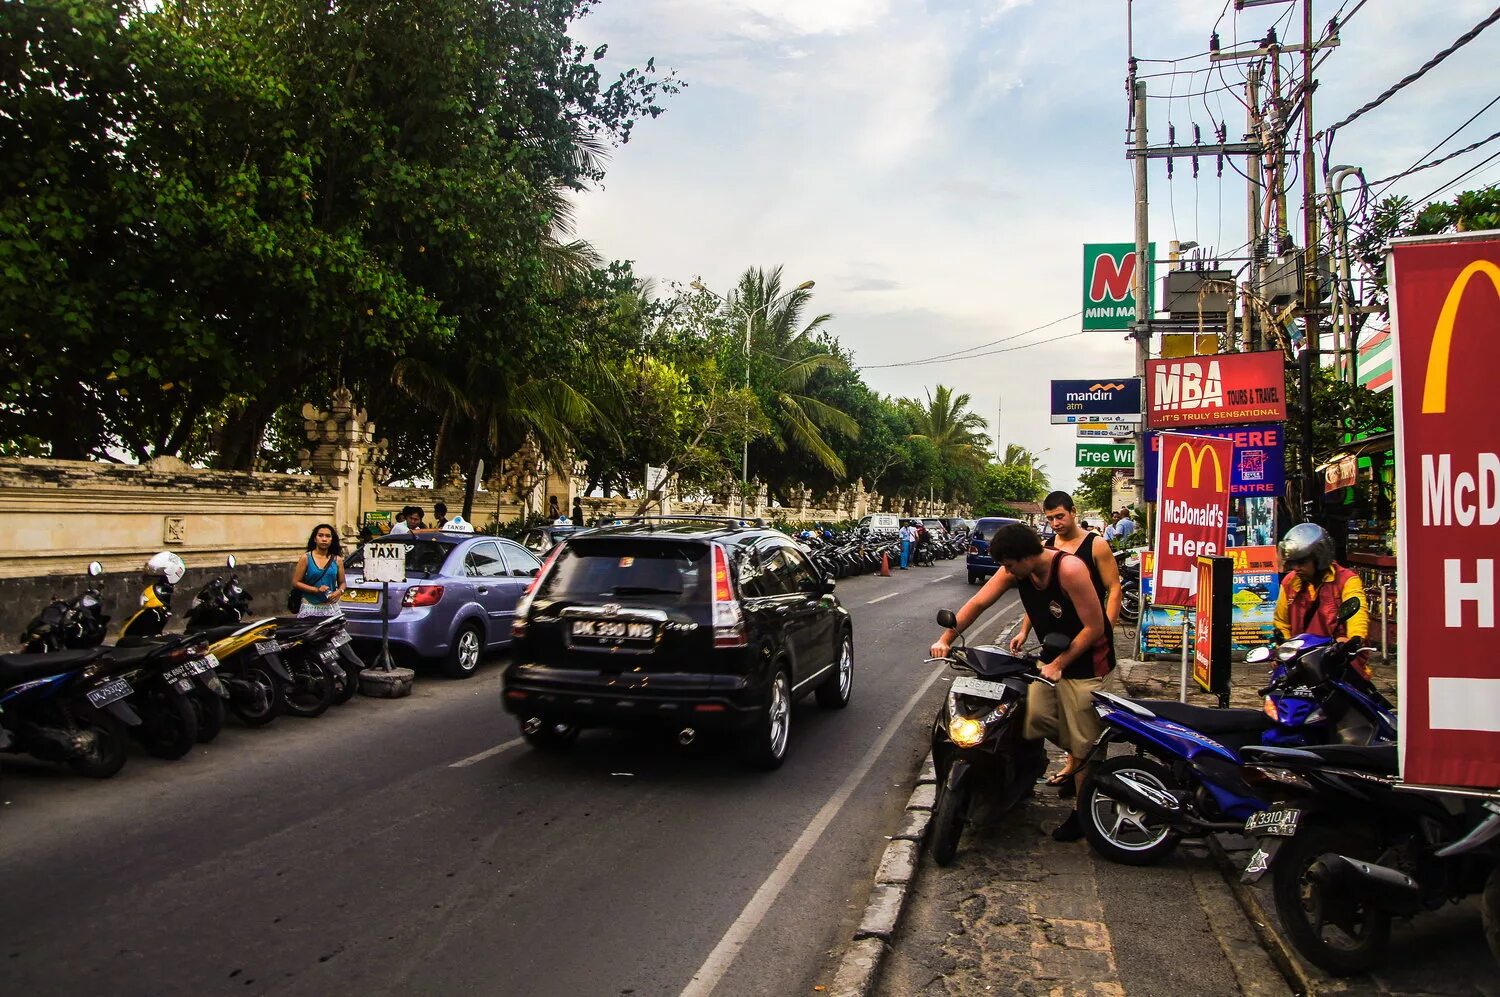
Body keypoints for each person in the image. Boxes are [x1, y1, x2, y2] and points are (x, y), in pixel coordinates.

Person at [929, 523, 1114, 841]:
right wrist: (946, 638)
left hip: (1085, 663)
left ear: (1028, 557)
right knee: (1032, 717)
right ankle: (1068, 762)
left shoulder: (1069, 569)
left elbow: (1095, 627)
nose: (1005, 571)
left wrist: (1060, 663)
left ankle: (1083, 813)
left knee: (1084, 739)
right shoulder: (1018, 571)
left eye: (1009, 564)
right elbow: (978, 604)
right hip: (1051, 659)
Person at [1011, 491, 1121, 794]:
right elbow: (1039, 600)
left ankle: (1083, 778)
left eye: (1060, 516)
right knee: (1044, 715)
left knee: (1084, 715)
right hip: (1056, 645)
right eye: (1050, 519)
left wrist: (1105, 629)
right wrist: (1023, 631)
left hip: (1090, 644)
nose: (1056, 523)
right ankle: (1076, 762)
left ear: (1073, 512)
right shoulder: (1046, 549)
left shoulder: (1095, 545)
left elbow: (1113, 589)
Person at [1273, 522, 1369, 642]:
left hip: (1335, 654)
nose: (1296, 568)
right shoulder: (1289, 582)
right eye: (1293, 563)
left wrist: (1354, 639)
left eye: (1302, 562)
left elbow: (1358, 617)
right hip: (1300, 655)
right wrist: (1284, 647)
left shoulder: (1346, 580)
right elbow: (1281, 622)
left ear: (1319, 558)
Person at [292, 523, 345, 617]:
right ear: (315, 539)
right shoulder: (306, 558)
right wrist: (316, 590)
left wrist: (339, 592)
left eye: (328, 536)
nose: (324, 539)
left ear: (332, 540)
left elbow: (342, 583)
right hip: (310, 606)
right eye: (320, 535)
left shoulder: (337, 560)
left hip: (330, 608)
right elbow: (296, 582)